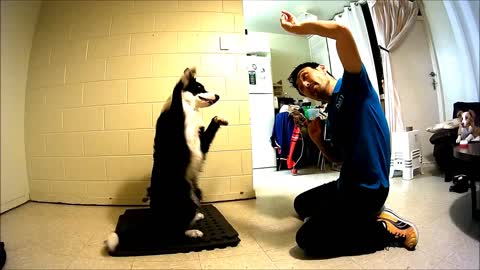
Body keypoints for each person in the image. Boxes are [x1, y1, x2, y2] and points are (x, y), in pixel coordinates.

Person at [279, 10, 419, 255]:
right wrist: (317, 139)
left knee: (307, 239)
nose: (307, 87)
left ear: (321, 68)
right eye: (303, 89)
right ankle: (357, 218)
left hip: (369, 190)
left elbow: (341, 33)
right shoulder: (331, 113)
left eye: (306, 77)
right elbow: (338, 158)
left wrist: (299, 29)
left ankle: (384, 229)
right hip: (347, 184)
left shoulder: (353, 84)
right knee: (301, 204)